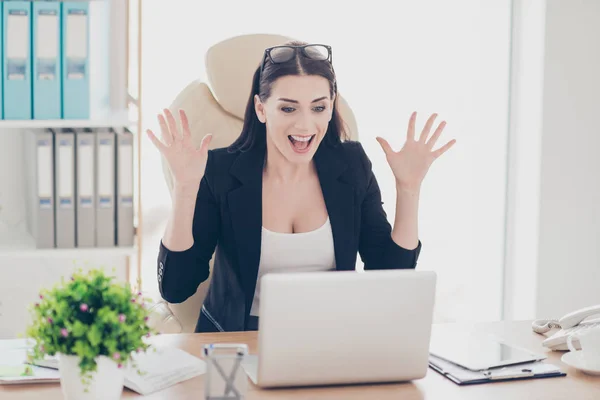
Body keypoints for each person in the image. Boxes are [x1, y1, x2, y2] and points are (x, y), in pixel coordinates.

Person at [147, 41, 456, 332]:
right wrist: (185, 189)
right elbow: (176, 287)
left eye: (318, 108)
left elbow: (391, 277)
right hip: (238, 341)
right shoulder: (221, 171)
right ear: (261, 109)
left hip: (331, 338)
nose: (305, 126)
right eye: (288, 108)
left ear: (332, 106)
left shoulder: (351, 166)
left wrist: (409, 188)